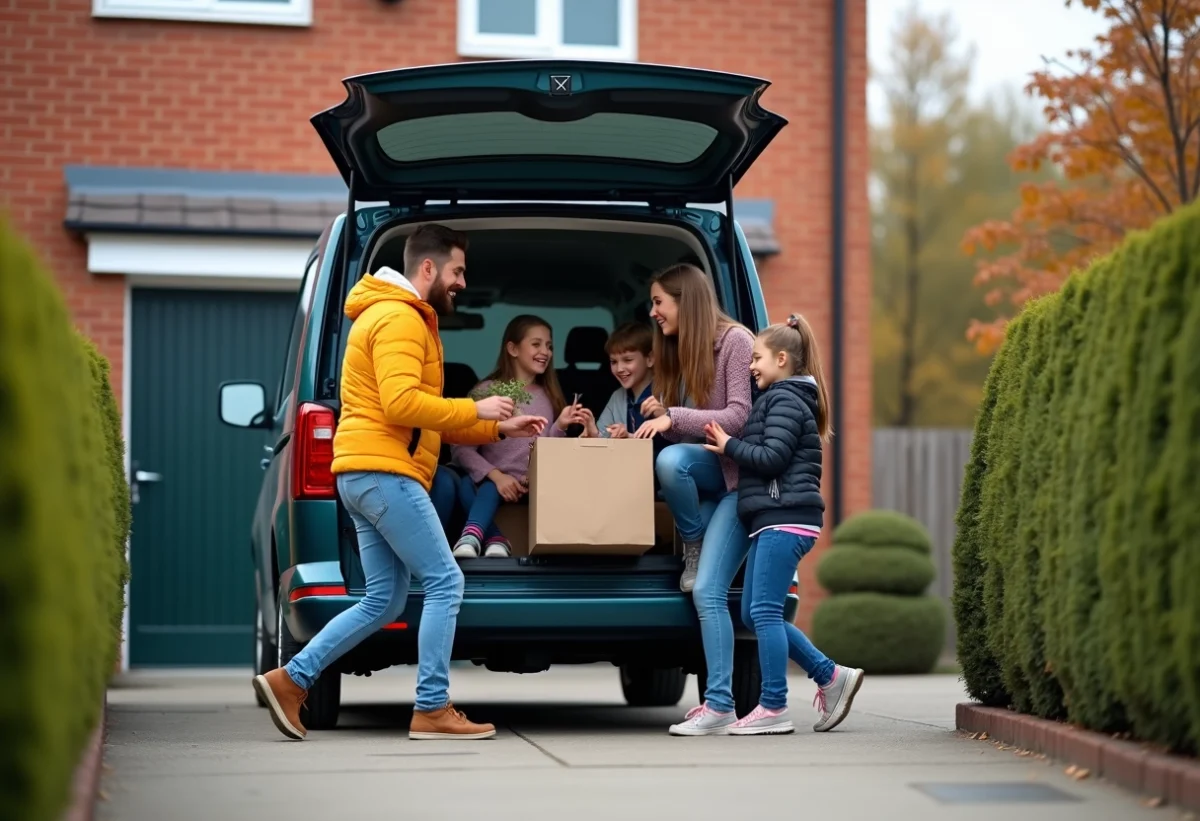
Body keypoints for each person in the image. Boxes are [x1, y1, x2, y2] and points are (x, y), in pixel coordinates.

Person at [253, 224, 547, 741]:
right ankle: (432, 706)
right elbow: (401, 404)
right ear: (427, 268)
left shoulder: (397, 315)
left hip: (367, 472)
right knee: (446, 580)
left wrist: (497, 425)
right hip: (384, 471)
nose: (461, 281)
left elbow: (425, 416)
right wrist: (476, 406)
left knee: (384, 600)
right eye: (456, 271)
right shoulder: (399, 318)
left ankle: (291, 680)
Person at [701, 313, 864, 735]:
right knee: (755, 614)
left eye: (756, 358)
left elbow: (773, 457)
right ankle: (830, 676)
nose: (750, 366)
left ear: (781, 359)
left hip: (785, 519)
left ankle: (773, 706)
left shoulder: (785, 400)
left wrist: (729, 445)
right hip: (776, 520)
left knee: (765, 612)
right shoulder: (780, 397)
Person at [627, 263, 756, 736]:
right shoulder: (685, 349)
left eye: (660, 301)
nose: (653, 312)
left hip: (741, 483)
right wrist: (665, 410)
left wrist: (672, 418)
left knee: (707, 590)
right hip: (711, 476)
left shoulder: (737, 342)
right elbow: (697, 420)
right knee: (672, 464)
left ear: (687, 300)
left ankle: (720, 705)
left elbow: (739, 416)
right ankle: (720, 705)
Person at [450, 315, 584, 558]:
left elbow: (547, 449)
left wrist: (561, 426)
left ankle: (488, 537)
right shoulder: (486, 393)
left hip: (534, 485)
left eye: (549, 346)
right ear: (512, 348)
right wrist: (498, 476)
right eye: (536, 344)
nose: (545, 351)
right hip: (493, 482)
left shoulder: (547, 395)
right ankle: (482, 537)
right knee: (470, 485)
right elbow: (462, 449)